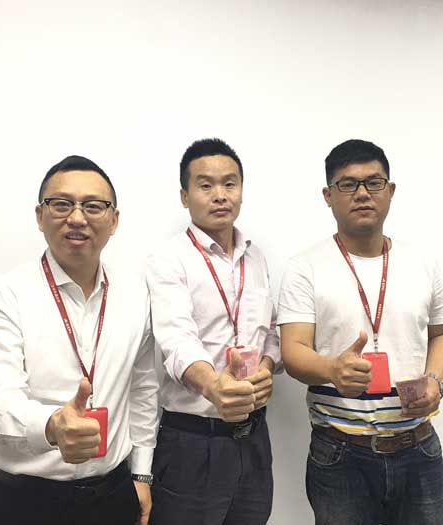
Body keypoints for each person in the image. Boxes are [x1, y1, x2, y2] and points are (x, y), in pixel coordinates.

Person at [278, 139, 443, 524]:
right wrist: (331, 370)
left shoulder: (421, 262)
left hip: (420, 449)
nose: (362, 193)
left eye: (374, 182)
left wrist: (435, 380)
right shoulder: (304, 267)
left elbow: (442, 334)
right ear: (328, 196)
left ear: (390, 191)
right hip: (340, 455)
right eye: (348, 184)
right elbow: (292, 350)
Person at [0, 155, 158, 525]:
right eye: (61, 204)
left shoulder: (135, 294)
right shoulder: (6, 294)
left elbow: (143, 389)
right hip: (24, 502)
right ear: (40, 216)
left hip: (113, 497)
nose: (76, 217)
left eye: (93, 206)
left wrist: (141, 473)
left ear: (114, 220)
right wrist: (52, 426)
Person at [146, 138, 281, 525]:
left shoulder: (255, 257)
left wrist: (267, 368)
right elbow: (176, 340)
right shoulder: (169, 259)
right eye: (205, 185)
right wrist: (214, 386)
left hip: (254, 437)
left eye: (229, 183)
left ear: (241, 190)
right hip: (192, 440)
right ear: (184, 196)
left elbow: (270, 331)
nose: (220, 195)